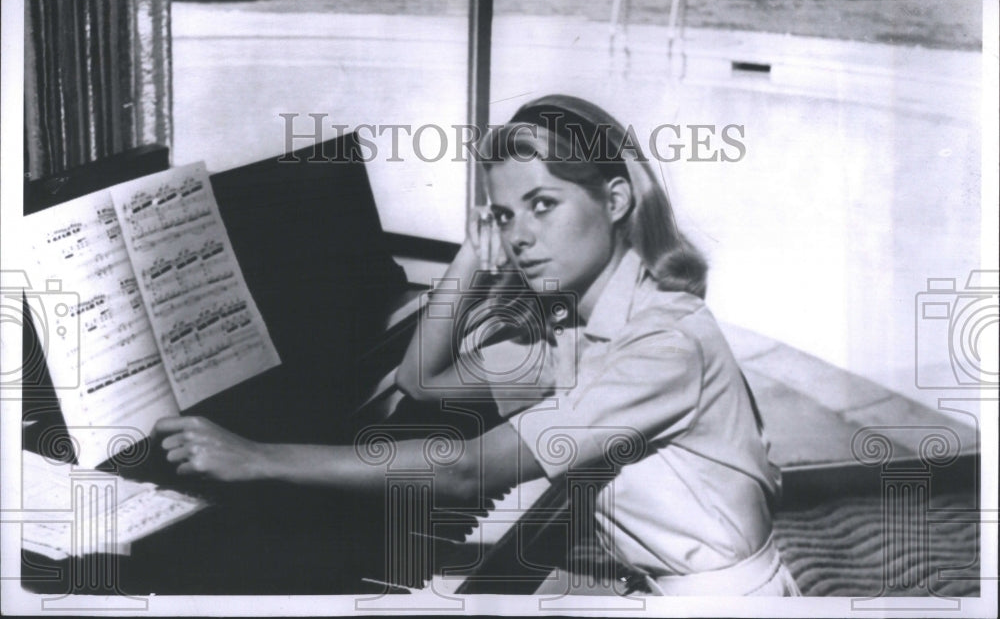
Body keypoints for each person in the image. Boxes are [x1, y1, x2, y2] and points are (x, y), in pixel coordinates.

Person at [155, 95, 800, 597]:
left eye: (543, 204)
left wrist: (258, 457)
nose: (520, 235)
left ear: (616, 199)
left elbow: (467, 471)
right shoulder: (586, 336)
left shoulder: (660, 345)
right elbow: (421, 380)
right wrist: (472, 255)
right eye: (504, 215)